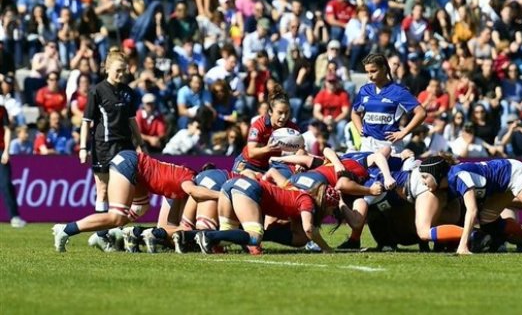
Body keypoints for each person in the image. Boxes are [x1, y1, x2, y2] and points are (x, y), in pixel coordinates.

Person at [52, 151, 218, 252]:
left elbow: (169, 224)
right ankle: (66, 229)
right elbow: (194, 191)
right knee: (116, 216)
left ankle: (101, 235)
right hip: (132, 164)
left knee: (140, 208)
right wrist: (221, 195)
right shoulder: (189, 178)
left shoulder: (183, 179)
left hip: (136, 169)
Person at [79, 50, 144, 228]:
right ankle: (102, 234)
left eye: (124, 70)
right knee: (103, 190)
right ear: (107, 69)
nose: (122, 74)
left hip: (125, 146)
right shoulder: (97, 91)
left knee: (126, 190)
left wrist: (140, 144)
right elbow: (86, 122)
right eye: (118, 70)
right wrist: (83, 148)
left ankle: (117, 230)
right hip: (104, 146)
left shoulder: (128, 92)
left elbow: (132, 121)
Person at [194, 177, 338, 254]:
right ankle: (208, 236)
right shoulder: (307, 202)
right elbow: (308, 229)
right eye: (332, 209)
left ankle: (184, 236)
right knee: (255, 236)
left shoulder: (300, 195)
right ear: (326, 204)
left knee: (226, 236)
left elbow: (299, 231)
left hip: (232, 184)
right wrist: (326, 248)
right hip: (249, 189)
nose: (331, 214)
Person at [351, 53, 426, 153]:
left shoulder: (399, 91)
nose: (370, 76)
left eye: (373, 71)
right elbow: (355, 112)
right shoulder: (364, 90)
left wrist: (404, 132)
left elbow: (421, 113)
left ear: (384, 69)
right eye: (367, 72)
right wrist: (360, 128)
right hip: (368, 144)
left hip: (390, 145)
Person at [232, 84, 299, 176]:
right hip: (248, 164)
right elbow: (251, 153)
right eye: (280, 113)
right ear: (270, 112)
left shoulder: (292, 128)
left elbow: (300, 149)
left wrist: (299, 162)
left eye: (286, 113)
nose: (283, 117)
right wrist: (268, 148)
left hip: (270, 167)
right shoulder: (258, 125)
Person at [1, 105, 26, 228]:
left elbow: (7, 130)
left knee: (6, 184)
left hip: (1, 151)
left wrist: (6, 150)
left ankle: (14, 216)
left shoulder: (2, 109)